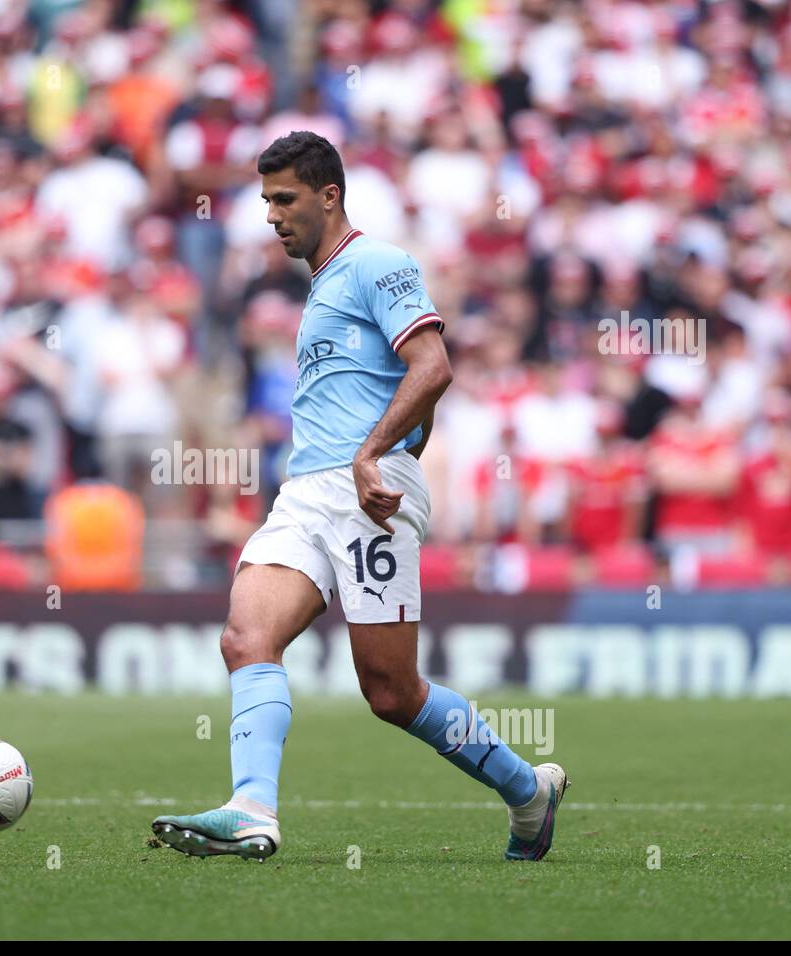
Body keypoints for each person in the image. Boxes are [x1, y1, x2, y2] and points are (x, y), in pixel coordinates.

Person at [151, 132, 569, 862]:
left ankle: (526, 790)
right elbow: (411, 390)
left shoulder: (378, 263)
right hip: (307, 492)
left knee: (391, 693)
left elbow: (433, 367)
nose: (272, 215)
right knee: (246, 638)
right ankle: (252, 807)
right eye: (265, 201)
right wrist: (393, 443)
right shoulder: (322, 287)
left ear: (329, 194)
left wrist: (382, 457)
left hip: (363, 492)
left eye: (284, 199)